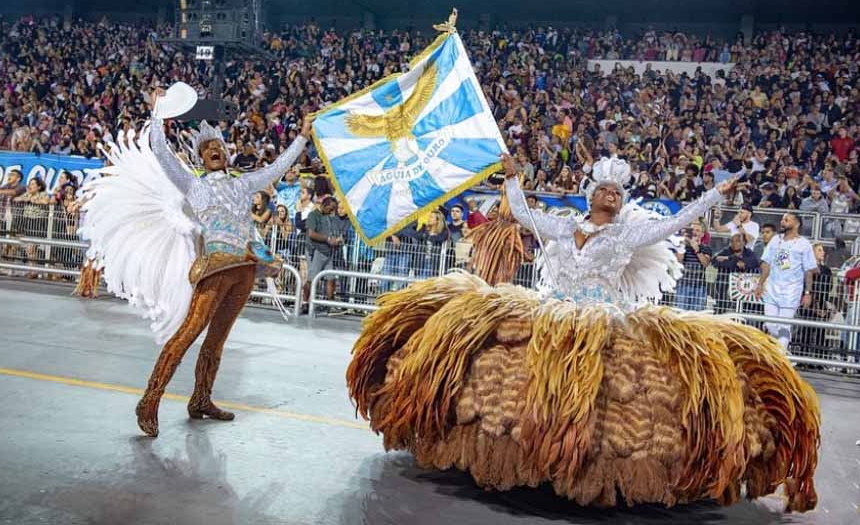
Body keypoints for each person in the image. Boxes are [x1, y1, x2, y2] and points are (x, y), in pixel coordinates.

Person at [348, 154, 819, 513]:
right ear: (591, 195)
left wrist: (717, 194)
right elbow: (520, 211)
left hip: (602, 319)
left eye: (618, 191)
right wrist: (511, 176)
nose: (611, 194)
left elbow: (677, 222)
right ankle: (522, 452)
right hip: (553, 312)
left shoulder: (627, 236)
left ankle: (580, 463)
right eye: (604, 189)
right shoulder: (562, 225)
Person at [79, 87, 307, 437]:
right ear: (202, 158)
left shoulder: (245, 184)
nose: (215, 150)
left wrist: (302, 137)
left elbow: (278, 167)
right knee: (188, 333)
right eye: (208, 149)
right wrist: (158, 114)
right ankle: (150, 399)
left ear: (227, 155)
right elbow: (161, 152)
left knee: (217, 340)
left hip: (244, 269)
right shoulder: (193, 185)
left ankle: (201, 399)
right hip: (215, 268)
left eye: (219, 147)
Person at [755, 213, 818, 354]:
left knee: (784, 326)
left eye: (787, 219)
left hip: (791, 291)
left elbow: (809, 270)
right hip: (772, 288)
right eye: (782, 219)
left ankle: (780, 356)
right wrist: (760, 284)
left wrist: (808, 293)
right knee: (770, 324)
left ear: (797, 224)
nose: (783, 222)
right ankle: (782, 352)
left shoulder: (804, 244)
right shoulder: (775, 240)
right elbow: (766, 263)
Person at [304, 195, 344, 308]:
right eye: (331, 209)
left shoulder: (329, 217)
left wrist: (337, 240)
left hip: (328, 251)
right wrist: (328, 239)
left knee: (331, 278)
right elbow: (311, 234)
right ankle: (304, 302)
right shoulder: (313, 215)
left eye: (334, 209)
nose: (332, 211)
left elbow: (334, 232)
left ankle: (330, 305)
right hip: (316, 250)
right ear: (324, 205)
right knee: (311, 279)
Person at [712, 233, 761, 314]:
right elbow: (714, 261)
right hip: (725, 286)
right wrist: (735, 261)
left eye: (738, 241)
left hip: (744, 287)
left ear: (744, 242)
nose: (734, 243)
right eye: (732, 241)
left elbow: (754, 262)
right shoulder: (726, 251)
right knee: (721, 308)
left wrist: (729, 258)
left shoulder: (748, 252)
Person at [674, 221, 711, 311]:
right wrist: (682, 244)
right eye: (693, 230)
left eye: (698, 230)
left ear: (702, 234)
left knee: (697, 314)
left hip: (699, 286)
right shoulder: (683, 247)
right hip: (683, 284)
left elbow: (706, 263)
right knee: (681, 312)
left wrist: (697, 249)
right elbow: (679, 260)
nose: (694, 232)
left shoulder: (706, 248)